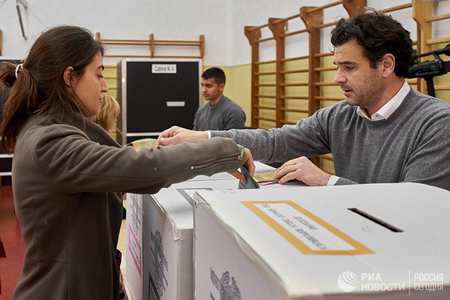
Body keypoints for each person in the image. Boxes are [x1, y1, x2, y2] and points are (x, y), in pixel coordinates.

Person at [0, 25, 253, 300]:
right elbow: (144, 168)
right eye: (98, 75)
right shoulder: (48, 142)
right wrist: (226, 150)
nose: (105, 86)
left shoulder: (58, 128)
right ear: (70, 77)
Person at [157, 10, 450, 192]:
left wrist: (327, 182)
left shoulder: (437, 122)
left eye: (349, 67)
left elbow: (415, 205)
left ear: (386, 66)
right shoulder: (339, 116)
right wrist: (204, 137)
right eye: (337, 67)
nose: (337, 78)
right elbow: (275, 141)